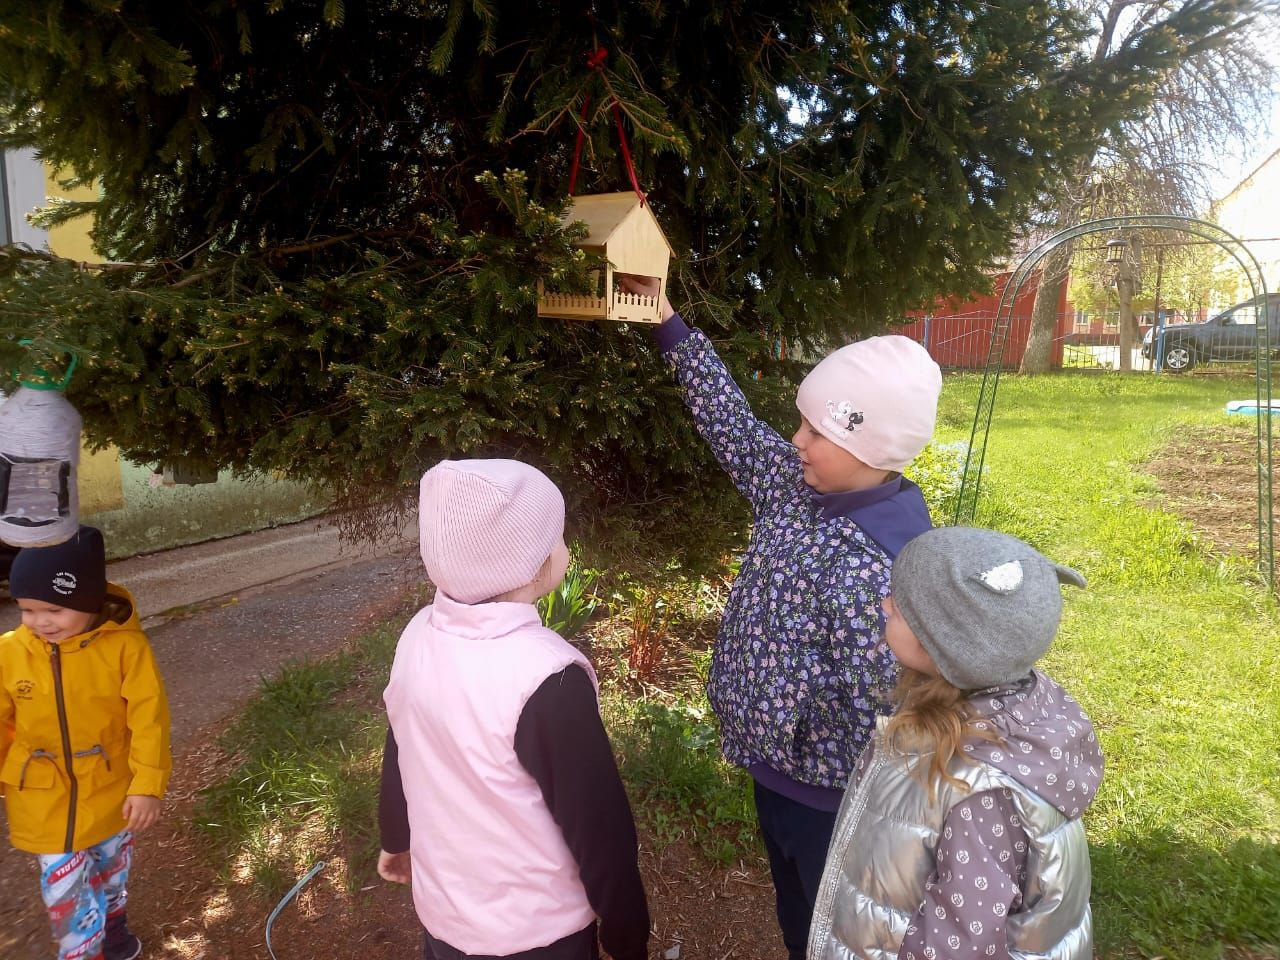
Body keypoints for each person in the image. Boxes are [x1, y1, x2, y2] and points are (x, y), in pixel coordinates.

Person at [620, 275, 942, 958]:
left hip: (836, 805)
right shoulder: (794, 488)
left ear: (870, 447)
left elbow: (894, 708)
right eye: (800, 422)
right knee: (797, 918)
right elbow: (733, 427)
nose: (795, 439)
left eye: (814, 431)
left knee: (837, 934)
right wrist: (668, 324)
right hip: (772, 774)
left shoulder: (886, 567)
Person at [377, 459, 650, 960]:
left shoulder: (417, 636)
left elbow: (402, 739)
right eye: (557, 537)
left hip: (447, 921)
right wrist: (626, 934)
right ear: (535, 564)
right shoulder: (547, 678)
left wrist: (396, 836)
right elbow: (599, 826)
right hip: (540, 935)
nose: (564, 547)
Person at [808, 525, 1103, 959]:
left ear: (944, 646)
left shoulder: (979, 793)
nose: (885, 604)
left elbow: (959, 945)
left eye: (900, 607)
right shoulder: (989, 706)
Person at [0, 526, 172, 960]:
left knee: (111, 873)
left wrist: (147, 785)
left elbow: (149, 720)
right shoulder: (9, 653)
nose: (40, 622)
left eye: (54, 609)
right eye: (26, 609)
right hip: (42, 796)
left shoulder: (126, 649)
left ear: (90, 600)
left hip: (111, 791)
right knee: (66, 891)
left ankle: (113, 927)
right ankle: (83, 952)